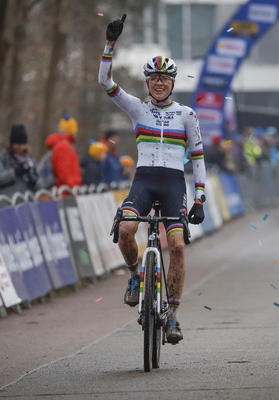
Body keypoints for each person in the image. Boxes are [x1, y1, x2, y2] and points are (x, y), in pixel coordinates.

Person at [99, 14, 206, 344]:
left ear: (173, 83)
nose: (159, 83)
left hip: (174, 183)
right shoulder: (137, 109)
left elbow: (199, 157)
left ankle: (172, 315)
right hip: (144, 180)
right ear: (147, 83)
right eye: (154, 78)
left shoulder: (186, 115)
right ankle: (135, 275)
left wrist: (200, 198)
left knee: (176, 246)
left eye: (165, 78)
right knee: (126, 232)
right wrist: (110, 44)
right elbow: (105, 82)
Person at [0, 124, 41, 198]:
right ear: (12, 144)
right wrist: (15, 172)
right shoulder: (1, 158)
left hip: (26, 202)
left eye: (23, 144)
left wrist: (34, 180)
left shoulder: (30, 159)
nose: (20, 147)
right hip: (7, 202)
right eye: (18, 144)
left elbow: (40, 182)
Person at [49, 115, 82, 188]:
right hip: (67, 191)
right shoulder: (64, 146)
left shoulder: (65, 144)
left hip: (68, 189)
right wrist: (72, 186)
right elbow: (63, 172)